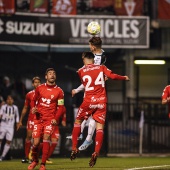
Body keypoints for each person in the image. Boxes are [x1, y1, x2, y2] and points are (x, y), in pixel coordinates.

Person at [70, 52, 130, 167]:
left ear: (83, 59)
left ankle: (74, 148)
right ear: (93, 59)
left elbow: (87, 83)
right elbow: (112, 76)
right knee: (99, 128)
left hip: (88, 101)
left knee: (78, 122)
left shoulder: (80, 71)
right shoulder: (102, 67)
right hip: (101, 101)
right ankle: (96, 152)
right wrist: (124, 78)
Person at [67, 36, 107, 151]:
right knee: (87, 117)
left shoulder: (99, 59)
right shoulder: (99, 55)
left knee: (91, 117)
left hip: (94, 92)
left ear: (93, 46)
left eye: (90, 45)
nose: (89, 47)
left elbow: (89, 78)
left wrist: (76, 90)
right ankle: (82, 135)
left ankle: (87, 137)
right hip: (91, 91)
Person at [28, 68, 65, 170]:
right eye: (50, 73)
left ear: (55, 76)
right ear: (46, 76)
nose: (52, 75)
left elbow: (61, 107)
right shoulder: (40, 88)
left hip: (49, 119)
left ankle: (43, 164)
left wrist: (56, 118)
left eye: (54, 73)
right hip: (38, 119)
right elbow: (33, 101)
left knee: (46, 139)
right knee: (35, 143)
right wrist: (33, 108)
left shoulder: (59, 91)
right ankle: (35, 160)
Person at [17, 76, 41, 163]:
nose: (37, 84)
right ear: (32, 84)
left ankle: (34, 156)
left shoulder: (44, 93)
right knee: (29, 137)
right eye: (35, 82)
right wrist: (20, 120)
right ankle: (26, 157)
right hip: (31, 119)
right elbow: (25, 107)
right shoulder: (29, 94)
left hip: (41, 118)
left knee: (37, 139)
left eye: (38, 82)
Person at [0, 95, 19, 161]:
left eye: (11, 99)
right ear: (6, 100)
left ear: (13, 100)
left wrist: (17, 124)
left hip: (11, 127)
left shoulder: (15, 108)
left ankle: (2, 156)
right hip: (3, 125)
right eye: (8, 99)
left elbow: (17, 116)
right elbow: (0, 115)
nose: (9, 100)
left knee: (8, 141)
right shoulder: (3, 107)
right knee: (0, 139)